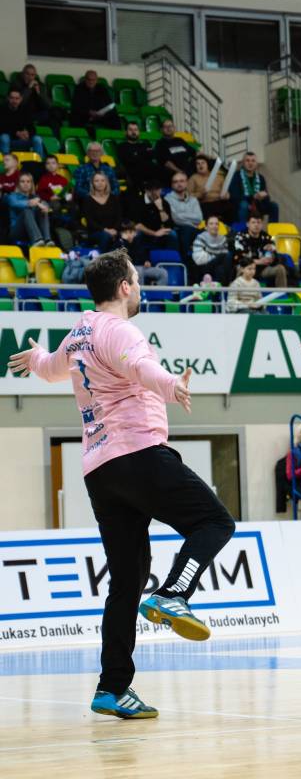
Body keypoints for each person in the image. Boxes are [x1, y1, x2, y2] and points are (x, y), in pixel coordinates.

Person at [7, 248, 235, 719]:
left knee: (126, 581)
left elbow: (50, 369)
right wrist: (171, 385)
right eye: (136, 278)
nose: (139, 286)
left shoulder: (78, 334)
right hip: (137, 452)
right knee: (215, 522)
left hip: (100, 469)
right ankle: (173, 594)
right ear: (125, 286)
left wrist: (36, 358)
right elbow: (140, 367)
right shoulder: (119, 330)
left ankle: (112, 688)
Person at [234, 214, 287, 287]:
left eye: (259, 222)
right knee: (241, 268)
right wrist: (258, 262)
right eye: (253, 222)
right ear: (247, 224)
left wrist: (272, 257)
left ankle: (281, 292)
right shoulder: (240, 236)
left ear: (262, 224)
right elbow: (239, 258)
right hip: (248, 267)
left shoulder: (266, 237)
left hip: (263, 269)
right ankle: (239, 292)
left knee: (280, 269)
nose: (256, 225)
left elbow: (275, 257)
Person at [129, 179, 179, 253]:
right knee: (136, 235)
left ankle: (172, 259)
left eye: (157, 190)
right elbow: (138, 225)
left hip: (159, 230)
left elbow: (169, 224)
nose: (154, 193)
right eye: (151, 190)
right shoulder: (138, 202)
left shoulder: (164, 203)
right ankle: (139, 258)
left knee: (172, 234)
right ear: (146, 190)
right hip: (144, 231)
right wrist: (154, 233)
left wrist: (160, 208)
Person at [229, 152, 279, 224]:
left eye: (253, 161)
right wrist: (253, 197)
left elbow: (266, 196)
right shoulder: (236, 176)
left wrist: (263, 197)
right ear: (243, 163)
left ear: (256, 164)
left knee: (274, 206)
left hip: (258, 205)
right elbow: (235, 196)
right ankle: (243, 229)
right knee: (244, 205)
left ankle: (273, 229)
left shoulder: (261, 178)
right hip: (242, 205)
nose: (250, 163)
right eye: (247, 160)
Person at [116, 220, 168, 287]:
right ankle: (140, 293)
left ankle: (158, 293)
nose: (128, 235)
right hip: (127, 269)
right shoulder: (119, 243)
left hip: (143, 268)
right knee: (138, 271)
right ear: (121, 234)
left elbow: (145, 253)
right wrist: (125, 242)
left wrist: (147, 261)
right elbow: (125, 256)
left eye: (131, 232)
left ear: (135, 232)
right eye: (125, 232)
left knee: (163, 273)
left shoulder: (139, 241)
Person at [165, 171, 203, 262]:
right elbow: (175, 218)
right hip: (179, 229)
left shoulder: (193, 200)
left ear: (186, 183)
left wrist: (181, 215)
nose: (179, 184)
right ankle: (184, 262)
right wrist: (191, 219)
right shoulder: (167, 199)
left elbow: (199, 218)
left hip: (194, 229)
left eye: (182, 181)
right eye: (176, 182)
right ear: (172, 185)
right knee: (186, 230)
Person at [7, 172, 53, 247]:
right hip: (17, 232)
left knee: (43, 210)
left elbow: (44, 204)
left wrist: (45, 207)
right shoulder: (12, 196)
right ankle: (37, 240)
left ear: (32, 184)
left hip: (33, 231)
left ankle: (47, 240)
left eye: (28, 181)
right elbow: (14, 203)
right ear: (18, 184)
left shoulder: (36, 197)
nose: (26, 184)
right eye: (22, 181)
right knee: (26, 210)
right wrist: (30, 203)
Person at [187, 154, 234, 223]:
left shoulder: (218, 176)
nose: (200, 165)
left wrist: (227, 195)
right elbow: (188, 196)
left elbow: (226, 191)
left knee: (231, 206)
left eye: (203, 163)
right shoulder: (193, 178)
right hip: (205, 203)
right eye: (198, 164)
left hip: (220, 202)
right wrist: (200, 194)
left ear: (207, 164)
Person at [82, 172, 122, 252]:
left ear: (106, 182)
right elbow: (90, 221)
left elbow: (119, 217)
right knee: (105, 236)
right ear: (92, 183)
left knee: (127, 235)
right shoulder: (88, 200)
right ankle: (103, 258)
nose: (100, 183)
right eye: (96, 181)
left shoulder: (114, 198)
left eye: (102, 180)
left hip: (114, 230)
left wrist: (114, 229)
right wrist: (106, 230)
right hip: (96, 232)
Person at [0, 89, 45, 158]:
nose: (14, 101)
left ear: (21, 99)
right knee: (4, 138)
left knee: (37, 139)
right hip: (8, 139)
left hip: (21, 139)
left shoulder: (25, 110)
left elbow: (32, 128)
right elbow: (2, 128)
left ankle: (39, 162)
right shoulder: (2, 110)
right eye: (12, 98)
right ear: (8, 98)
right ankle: (6, 161)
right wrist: (16, 133)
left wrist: (27, 133)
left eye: (17, 98)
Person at [192, 214, 233, 284]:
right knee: (225, 256)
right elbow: (198, 259)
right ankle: (226, 285)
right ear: (206, 227)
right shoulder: (200, 238)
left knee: (221, 268)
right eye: (211, 224)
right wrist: (216, 257)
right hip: (204, 266)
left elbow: (225, 259)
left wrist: (214, 256)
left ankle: (220, 287)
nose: (214, 226)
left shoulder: (223, 239)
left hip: (218, 267)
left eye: (216, 224)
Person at [10, 63, 54, 128]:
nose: (30, 77)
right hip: (22, 113)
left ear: (35, 76)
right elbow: (19, 103)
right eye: (27, 74)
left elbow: (48, 105)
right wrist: (29, 88)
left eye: (32, 75)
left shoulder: (40, 85)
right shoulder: (16, 84)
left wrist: (39, 93)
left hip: (37, 113)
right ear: (22, 74)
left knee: (54, 114)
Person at [117, 122, 157, 191]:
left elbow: (152, 157)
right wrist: (142, 155)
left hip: (148, 173)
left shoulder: (145, 145)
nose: (133, 132)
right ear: (125, 132)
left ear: (139, 132)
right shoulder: (122, 147)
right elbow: (128, 162)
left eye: (135, 130)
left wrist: (137, 155)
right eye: (130, 130)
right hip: (133, 175)